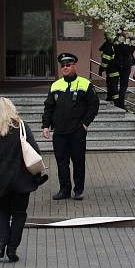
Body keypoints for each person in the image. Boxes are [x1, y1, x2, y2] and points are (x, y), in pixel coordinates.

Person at [0, 97, 49, 263]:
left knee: (3, 211)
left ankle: (1, 243)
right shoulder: (20, 126)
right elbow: (34, 149)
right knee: (19, 213)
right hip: (20, 177)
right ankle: (12, 248)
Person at [42, 52, 100, 201]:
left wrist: (85, 124)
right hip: (60, 131)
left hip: (77, 131)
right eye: (63, 66)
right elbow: (49, 107)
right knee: (62, 163)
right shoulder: (56, 85)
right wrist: (46, 125)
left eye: (68, 65)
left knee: (78, 162)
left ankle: (78, 190)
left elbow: (93, 105)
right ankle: (64, 190)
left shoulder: (85, 84)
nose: (65, 68)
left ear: (74, 65)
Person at [114, 40, 135, 109]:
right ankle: (120, 103)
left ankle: (119, 102)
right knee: (123, 86)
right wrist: (133, 44)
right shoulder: (122, 42)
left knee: (121, 85)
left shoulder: (118, 41)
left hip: (121, 65)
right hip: (123, 65)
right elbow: (128, 51)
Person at [98, 36, 120, 104]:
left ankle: (116, 102)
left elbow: (105, 60)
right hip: (115, 70)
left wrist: (101, 70)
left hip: (111, 70)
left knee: (112, 87)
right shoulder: (114, 46)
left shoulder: (108, 46)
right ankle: (111, 99)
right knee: (112, 86)